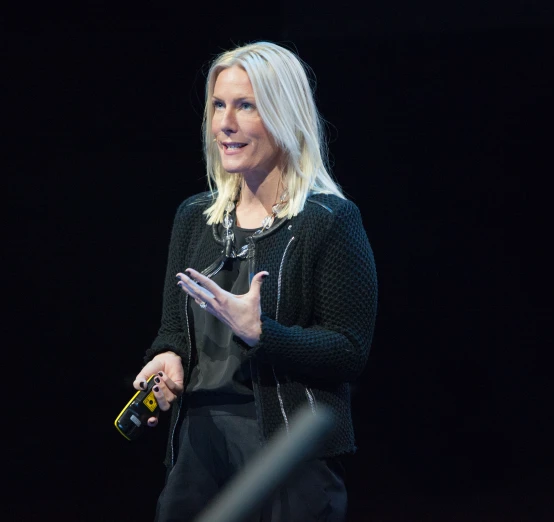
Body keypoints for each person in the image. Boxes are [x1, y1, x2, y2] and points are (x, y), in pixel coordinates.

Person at [132, 41, 378, 522]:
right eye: (218, 105)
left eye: (246, 106)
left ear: (284, 115)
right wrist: (166, 358)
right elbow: (173, 333)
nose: (225, 122)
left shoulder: (328, 220)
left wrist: (262, 333)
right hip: (198, 449)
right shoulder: (195, 218)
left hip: (284, 453)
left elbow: (350, 350)